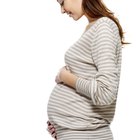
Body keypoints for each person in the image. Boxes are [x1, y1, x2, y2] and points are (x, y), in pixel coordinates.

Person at [47, 0, 127, 139]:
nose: (62, 10)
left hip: (86, 134)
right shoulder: (94, 27)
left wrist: (64, 77)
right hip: (81, 133)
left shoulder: (103, 27)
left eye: (62, 2)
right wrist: (62, 126)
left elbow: (105, 92)